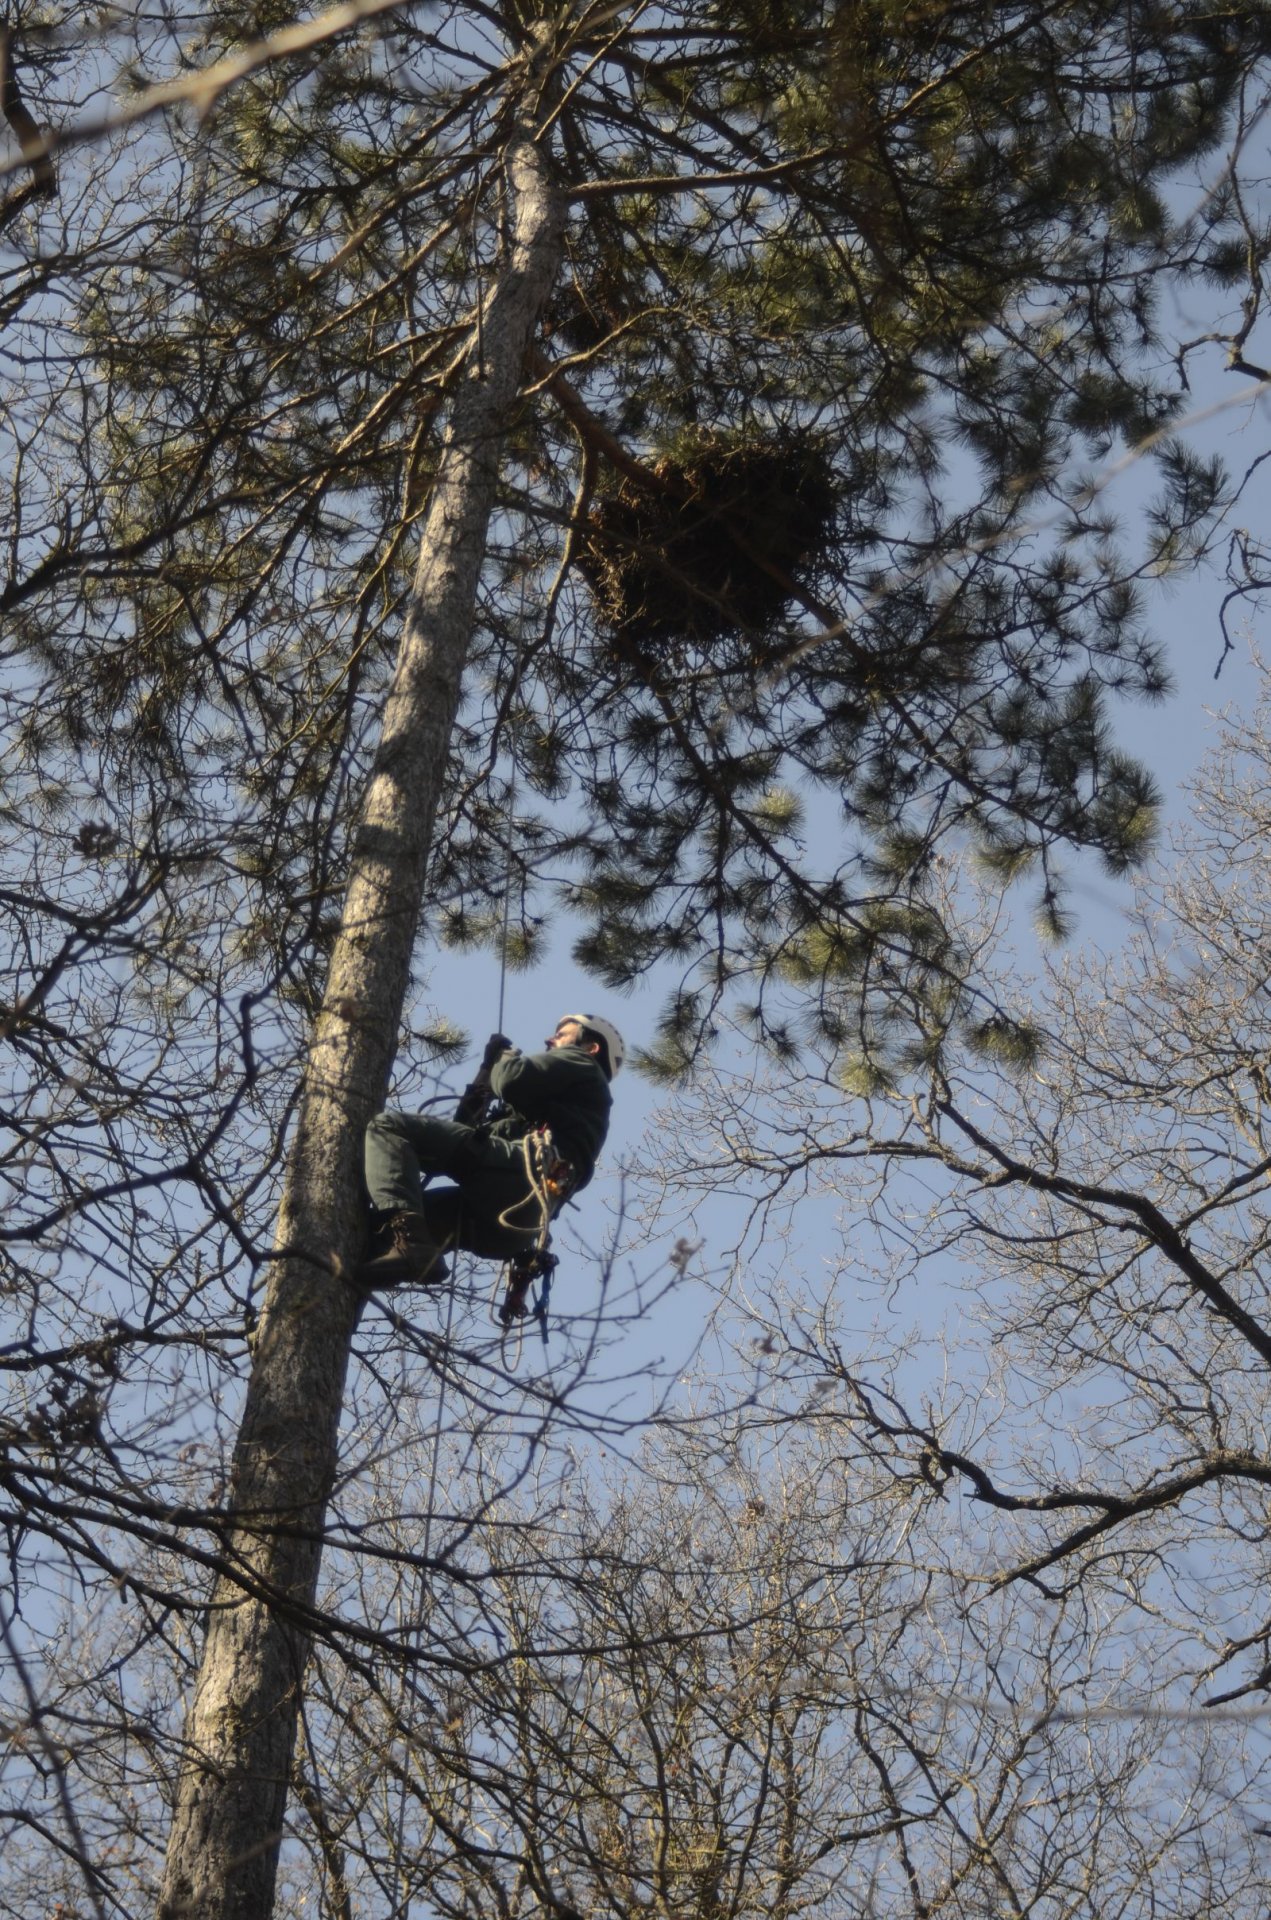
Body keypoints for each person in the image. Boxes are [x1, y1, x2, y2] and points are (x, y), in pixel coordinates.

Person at [360, 1013, 623, 1287]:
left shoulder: (582, 1063)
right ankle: (386, 1255)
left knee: (388, 1127)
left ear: (591, 1048)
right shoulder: (556, 1105)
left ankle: (409, 1245)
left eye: (561, 1035)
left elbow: (511, 1080)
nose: (549, 1039)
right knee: (375, 1235)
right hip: (510, 1226)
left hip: (518, 1177)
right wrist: (486, 1072)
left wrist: (504, 1056)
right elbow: (462, 1138)